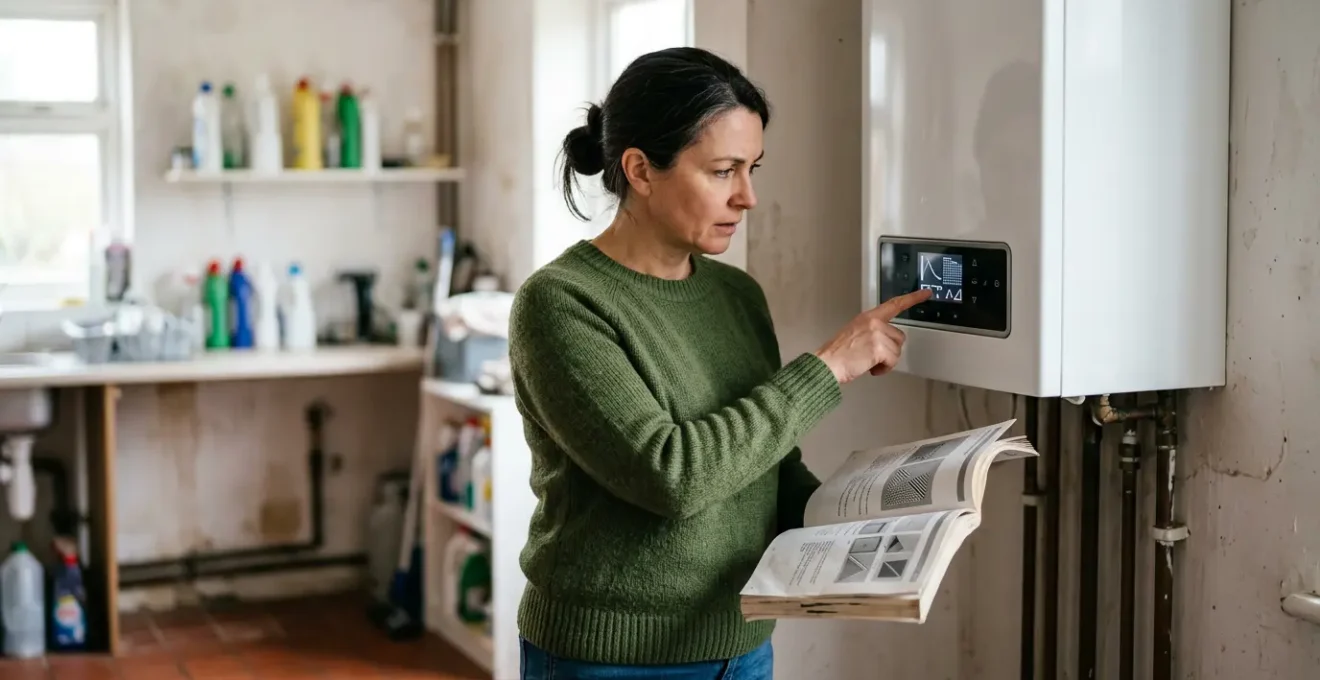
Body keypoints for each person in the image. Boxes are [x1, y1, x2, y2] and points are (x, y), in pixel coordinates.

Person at [508, 47, 931, 679]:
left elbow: (767, 468)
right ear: (640, 170)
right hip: (611, 660)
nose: (748, 197)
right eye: (723, 171)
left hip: (742, 647)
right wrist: (829, 367)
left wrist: (871, 521)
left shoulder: (737, 295)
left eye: (753, 168)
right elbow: (672, 477)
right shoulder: (560, 305)